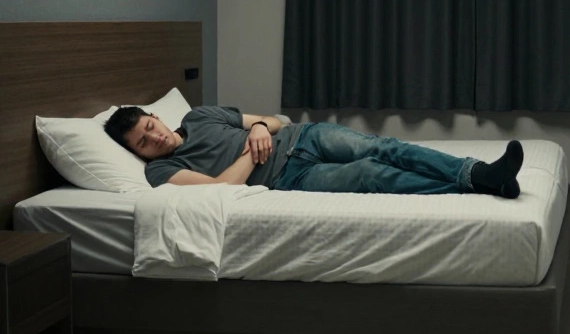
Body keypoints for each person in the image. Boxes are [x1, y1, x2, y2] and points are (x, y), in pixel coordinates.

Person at [104, 105, 524, 198]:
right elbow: (219, 186)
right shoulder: (161, 173)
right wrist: (254, 150)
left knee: (383, 146)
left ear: (156, 116)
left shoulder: (199, 117)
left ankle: (479, 173)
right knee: (372, 173)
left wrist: (261, 131)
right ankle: (480, 186)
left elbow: (274, 120)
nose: (155, 138)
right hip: (289, 179)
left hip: (303, 138)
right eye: (143, 142)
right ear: (139, 154)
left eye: (150, 127)